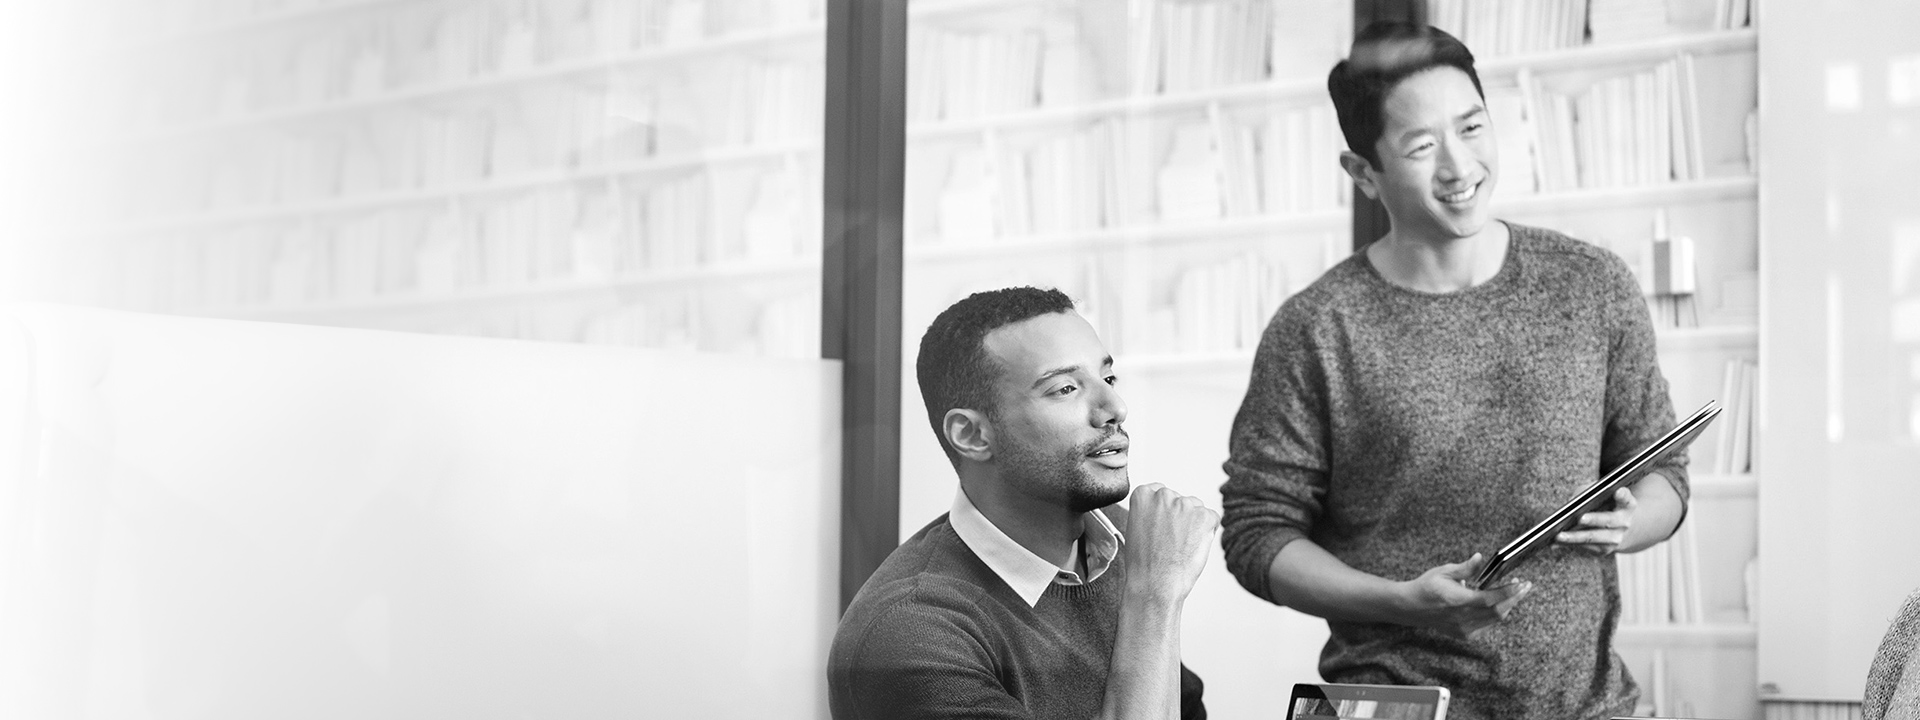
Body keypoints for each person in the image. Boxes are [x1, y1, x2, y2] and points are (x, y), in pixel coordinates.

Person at [1218, 21, 1689, 720]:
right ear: (1364, 174)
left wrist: (1633, 520)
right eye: (1420, 146)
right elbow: (1258, 535)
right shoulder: (1317, 328)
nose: (1458, 166)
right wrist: (1401, 602)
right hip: (1390, 703)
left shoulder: (1591, 285)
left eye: (1471, 128)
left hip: (1585, 706)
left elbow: (1665, 475)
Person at [828, 286, 1215, 720]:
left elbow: (1182, 706)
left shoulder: (1119, 537)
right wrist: (1154, 597)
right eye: (1065, 388)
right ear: (972, 435)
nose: (1115, 407)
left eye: (1107, 379)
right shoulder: (911, 632)